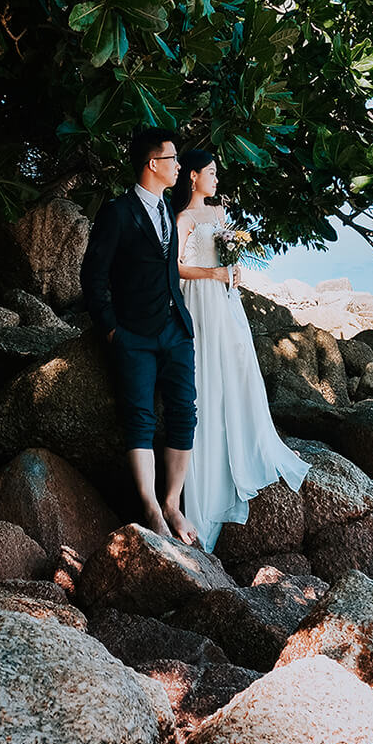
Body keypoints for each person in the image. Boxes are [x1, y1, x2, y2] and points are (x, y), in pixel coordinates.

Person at [171, 148, 309, 552]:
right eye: (210, 173)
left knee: (239, 365)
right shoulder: (184, 219)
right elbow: (175, 266)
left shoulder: (218, 215)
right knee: (207, 374)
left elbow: (227, 253)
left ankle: (248, 437)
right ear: (192, 177)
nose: (216, 179)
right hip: (200, 297)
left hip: (226, 299)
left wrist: (233, 270)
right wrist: (214, 272)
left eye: (217, 172)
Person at [80, 128, 201, 544]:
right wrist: (113, 330)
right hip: (134, 334)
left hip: (175, 329)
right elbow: (93, 276)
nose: (179, 167)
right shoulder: (117, 212)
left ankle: (172, 502)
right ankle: (150, 507)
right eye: (173, 160)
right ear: (153, 164)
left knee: (185, 411)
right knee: (140, 419)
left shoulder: (170, 208)